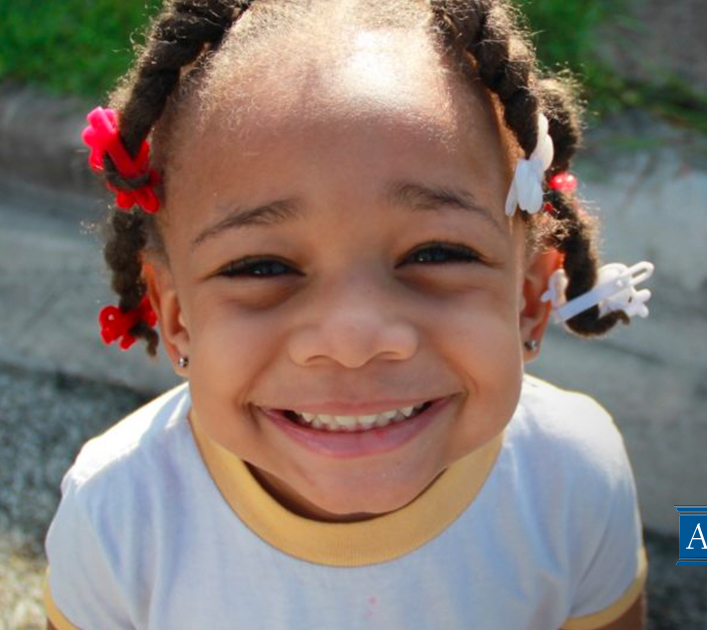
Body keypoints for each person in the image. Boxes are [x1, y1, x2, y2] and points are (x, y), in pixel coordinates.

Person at [42, 1, 654, 628]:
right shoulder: (116, 516)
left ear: (528, 300)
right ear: (174, 318)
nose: (354, 338)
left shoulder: (575, 476)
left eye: (436, 253)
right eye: (261, 267)